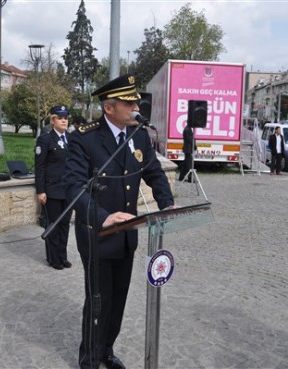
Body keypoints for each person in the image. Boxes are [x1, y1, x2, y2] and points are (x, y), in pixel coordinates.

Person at [64, 74, 174, 369]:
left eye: (136, 100)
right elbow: (74, 186)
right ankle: (88, 359)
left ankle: (106, 351)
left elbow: (154, 172)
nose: (137, 105)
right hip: (97, 234)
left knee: (119, 298)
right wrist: (102, 216)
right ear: (109, 108)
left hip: (127, 235)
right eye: (130, 101)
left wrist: (168, 204)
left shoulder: (138, 135)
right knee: (98, 301)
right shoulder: (84, 138)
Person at [34, 105, 72, 270]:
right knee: (53, 225)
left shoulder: (71, 138)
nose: (64, 120)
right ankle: (53, 258)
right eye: (60, 117)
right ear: (53, 120)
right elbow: (39, 167)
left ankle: (62, 256)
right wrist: (40, 190)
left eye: (66, 118)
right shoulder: (45, 139)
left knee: (65, 225)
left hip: (68, 190)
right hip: (52, 189)